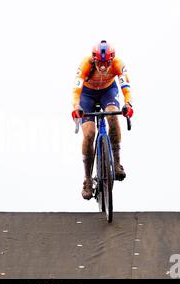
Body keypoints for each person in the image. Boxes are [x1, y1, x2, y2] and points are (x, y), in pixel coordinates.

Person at [71, 40, 134, 200]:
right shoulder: (85, 63)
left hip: (108, 91)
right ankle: (87, 179)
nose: (104, 67)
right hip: (87, 95)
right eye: (100, 63)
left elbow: (125, 86)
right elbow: (76, 88)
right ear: (94, 60)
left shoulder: (118, 64)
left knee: (113, 115)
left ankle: (117, 162)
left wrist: (128, 104)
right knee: (90, 133)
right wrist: (76, 106)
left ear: (112, 60)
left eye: (107, 63)